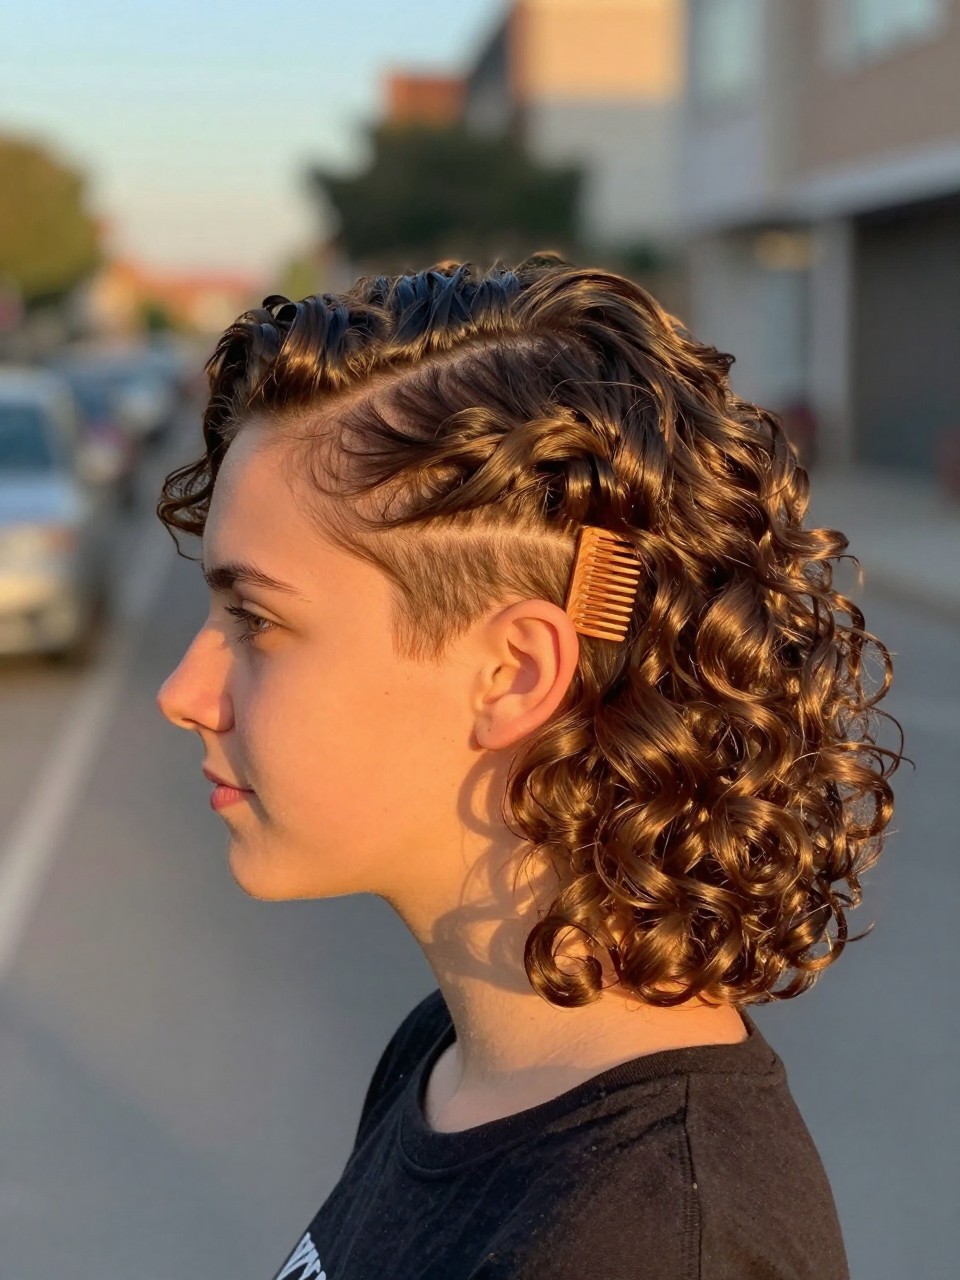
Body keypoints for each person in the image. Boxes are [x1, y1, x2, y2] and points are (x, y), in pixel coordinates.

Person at [155, 256, 904, 1279]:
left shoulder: (653, 1242)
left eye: (257, 620)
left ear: (512, 671)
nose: (186, 690)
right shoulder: (452, 1060)